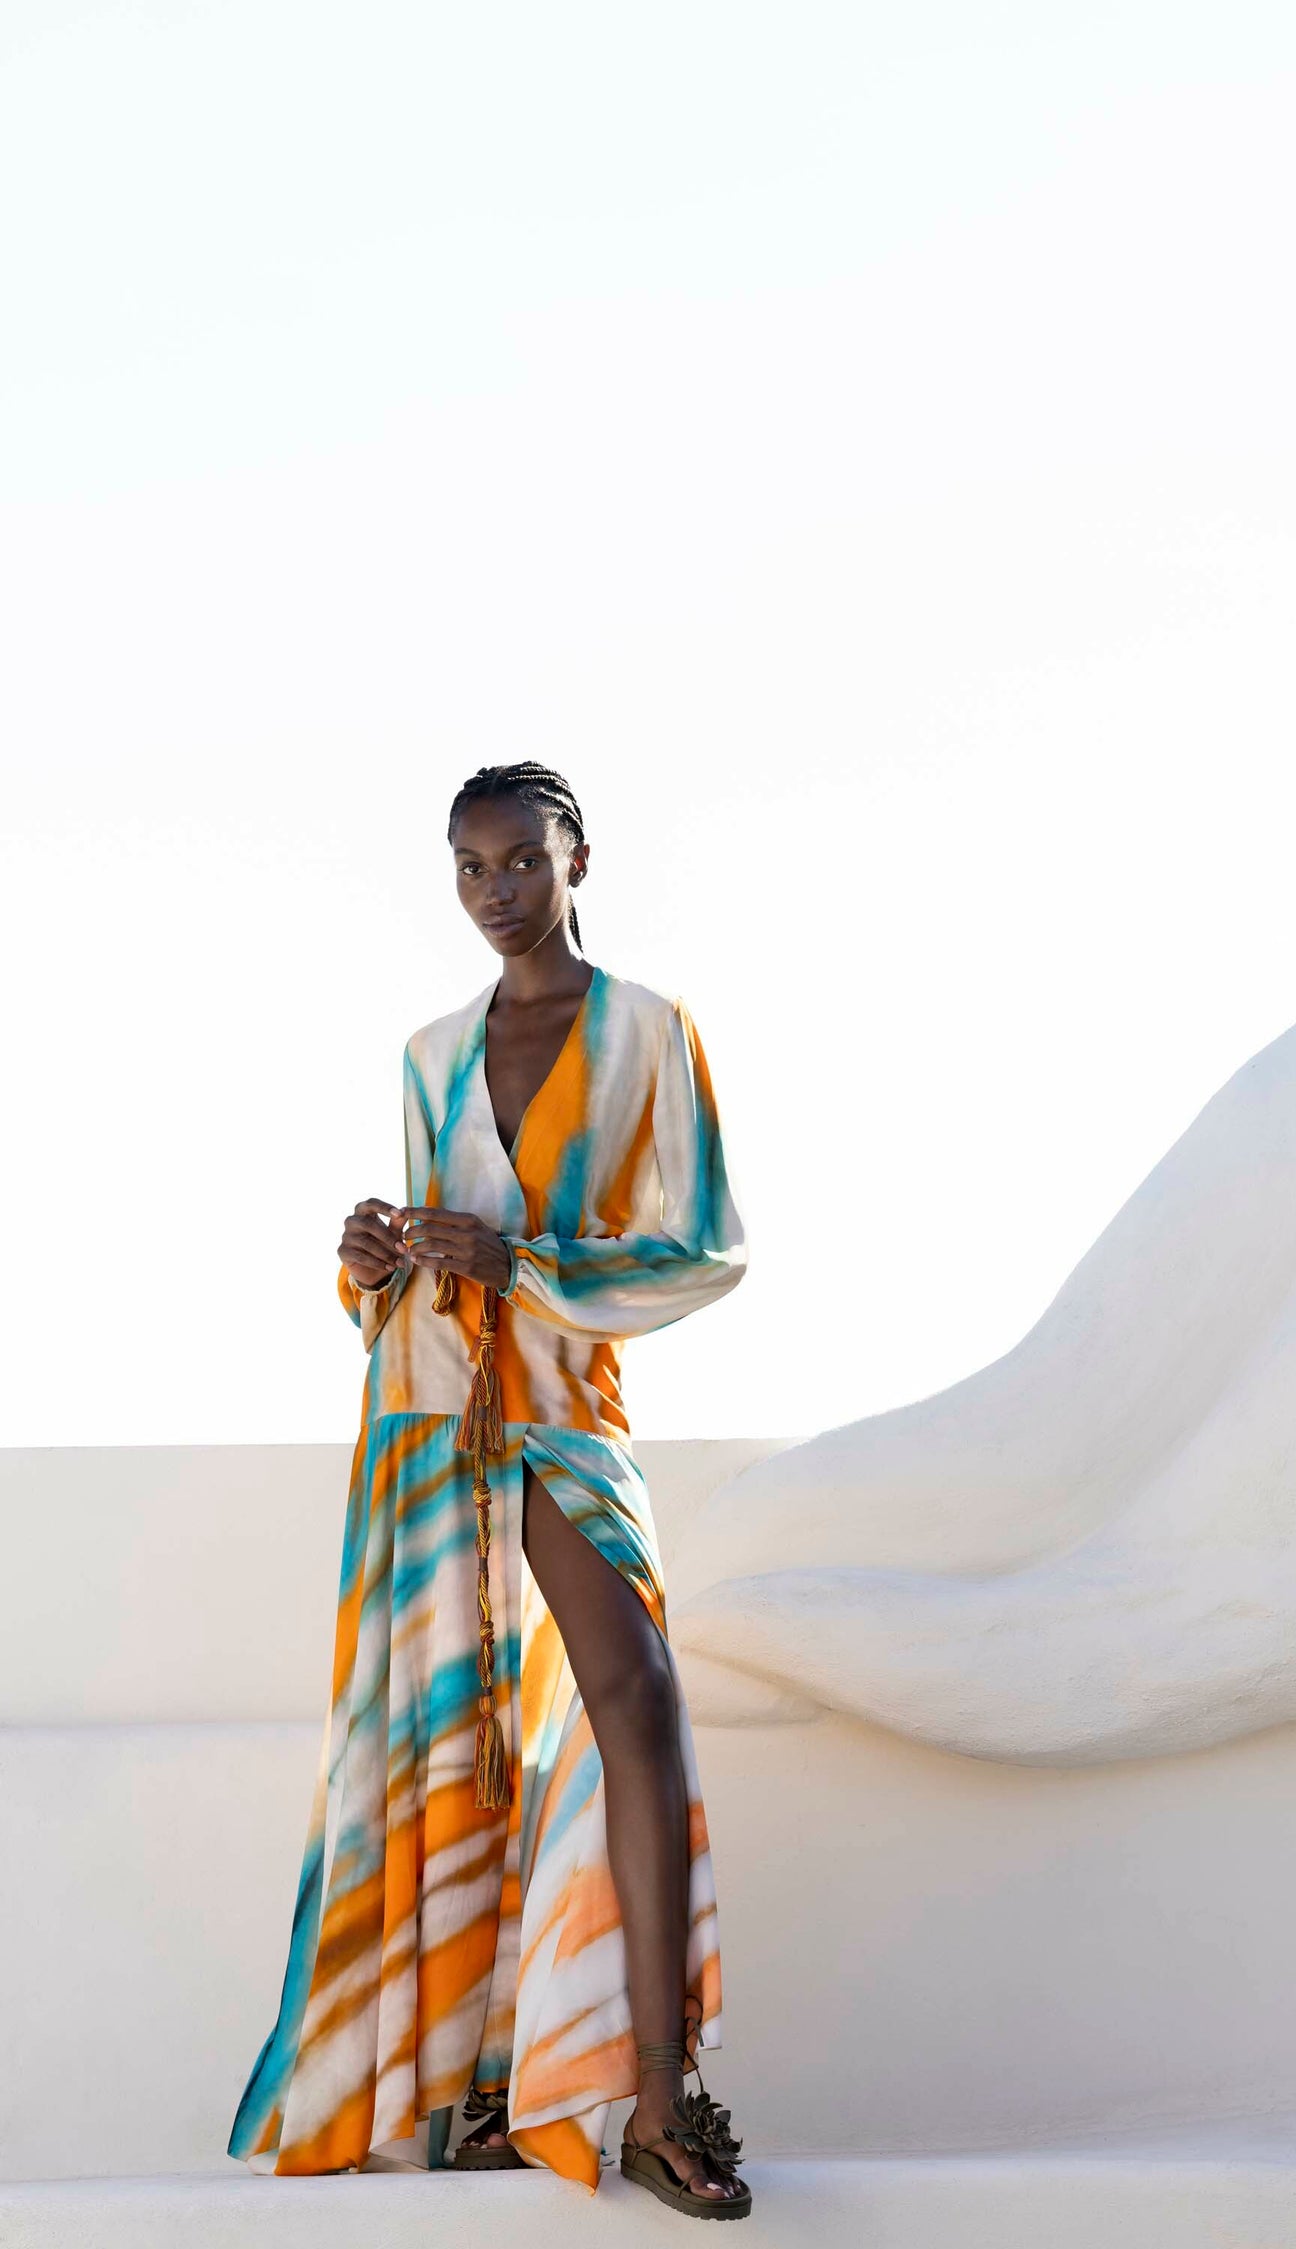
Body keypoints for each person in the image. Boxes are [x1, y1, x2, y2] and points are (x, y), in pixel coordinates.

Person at [229, 761, 751, 2218]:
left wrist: (520, 1263)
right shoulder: (429, 1055)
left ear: (579, 855)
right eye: (470, 869)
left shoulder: (651, 1030)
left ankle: (656, 2099)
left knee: (631, 1697)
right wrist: (376, 1257)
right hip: (435, 1430)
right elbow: (425, 1278)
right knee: (459, 1745)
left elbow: (704, 1247)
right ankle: (483, 2087)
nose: (497, 892)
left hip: (568, 1418)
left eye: (522, 860)